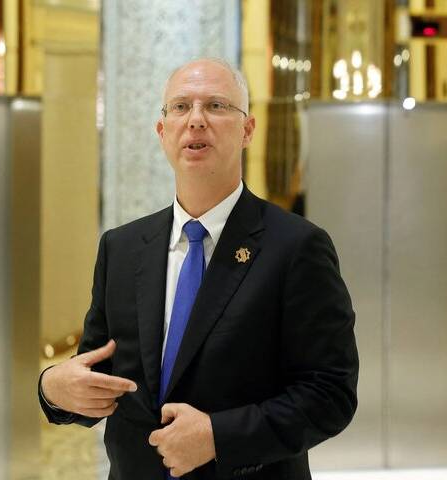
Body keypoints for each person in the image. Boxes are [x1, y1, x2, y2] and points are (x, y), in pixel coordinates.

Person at [38, 58, 359, 480]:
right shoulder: (122, 248)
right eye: (180, 107)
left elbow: (330, 393)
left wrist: (219, 437)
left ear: (247, 130)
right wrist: (53, 389)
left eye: (216, 106)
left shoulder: (296, 247)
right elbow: (98, 376)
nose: (196, 120)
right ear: (162, 131)